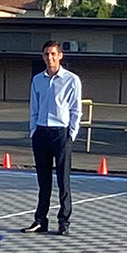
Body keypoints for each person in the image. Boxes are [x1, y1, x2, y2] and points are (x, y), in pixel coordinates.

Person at [22, 41, 82, 236]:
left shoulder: (71, 80)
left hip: (61, 133)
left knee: (63, 181)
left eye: (53, 54)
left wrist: (70, 135)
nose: (50, 58)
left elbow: (76, 110)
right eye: (47, 54)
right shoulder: (37, 80)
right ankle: (40, 220)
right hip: (41, 132)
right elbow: (34, 108)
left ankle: (64, 221)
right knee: (43, 181)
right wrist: (34, 131)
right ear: (43, 57)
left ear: (60, 56)